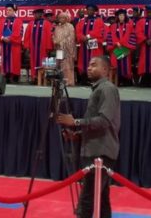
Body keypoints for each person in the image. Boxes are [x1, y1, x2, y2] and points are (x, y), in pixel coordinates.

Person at [57, 56, 120, 218]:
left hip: (101, 152)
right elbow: (97, 124)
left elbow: (104, 121)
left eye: (94, 65)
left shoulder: (107, 89)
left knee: (86, 200)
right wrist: (77, 135)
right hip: (96, 149)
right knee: (102, 200)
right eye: (89, 65)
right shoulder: (99, 89)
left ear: (105, 70)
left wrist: (75, 122)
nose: (89, 68)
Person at [75, 4, 105, 83]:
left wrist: (88, 36)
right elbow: (78, 32)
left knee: (92, 60)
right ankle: (84, 79)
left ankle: (93, 79)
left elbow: (100, 31)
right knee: (83, 60)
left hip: (93, 43)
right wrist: (83, 38)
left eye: (91, 10)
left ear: (94, 11)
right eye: (88, 10)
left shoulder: (99, 21)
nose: (90, 11)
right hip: (84, 43)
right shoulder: (82, 21)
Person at [0, 3, 24, 83]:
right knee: (5, 61)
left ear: (14, 11)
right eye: (7, 10)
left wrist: (10, 38)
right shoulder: (2, 21)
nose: (8, 11)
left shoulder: (19, 21)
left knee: (14, 61)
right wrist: (2, 38)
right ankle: (6, 76)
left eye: (10, 10)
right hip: (4, 45)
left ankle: (15, 77)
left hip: (14, 46)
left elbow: (19, 33)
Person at [106, 9, 136, 84]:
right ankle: (117, 80)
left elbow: (132, 37)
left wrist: (123, 44)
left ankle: (126, 81)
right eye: (120, 15)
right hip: (115, 48)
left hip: (125, 48)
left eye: (123, 15)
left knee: (125, 66)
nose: (121, 17)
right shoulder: (112, 26)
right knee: (115, 64)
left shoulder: (130, 26)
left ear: (125, 16)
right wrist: (116, 43)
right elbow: (109, 37)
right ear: (117, 17)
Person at [24, 8, 54, 83]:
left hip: (43, 48)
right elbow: (26, 36)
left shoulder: (47, 23)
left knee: (43, 62)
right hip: (33, 48)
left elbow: (49, 36)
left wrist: (48, 47)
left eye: (38, 14)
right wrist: (27, 47)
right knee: (33, 62)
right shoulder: (31, 23)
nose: (36, 15)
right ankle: (34, 78)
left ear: (41, 14)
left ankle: (43, 78)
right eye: (35, 14)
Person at [52, 11, 76, 86]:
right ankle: (60, 81)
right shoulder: (57, 27)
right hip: (59, 49)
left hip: (68, 49)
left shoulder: (70, 26)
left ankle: (69, 81)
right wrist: (55, 41)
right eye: (59, 18)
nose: (61, 19)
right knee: (59, 65)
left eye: (63, 18)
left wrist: (62, 42)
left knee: (68, 65)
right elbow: (54, 36)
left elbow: (71, 38)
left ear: (66, 18)